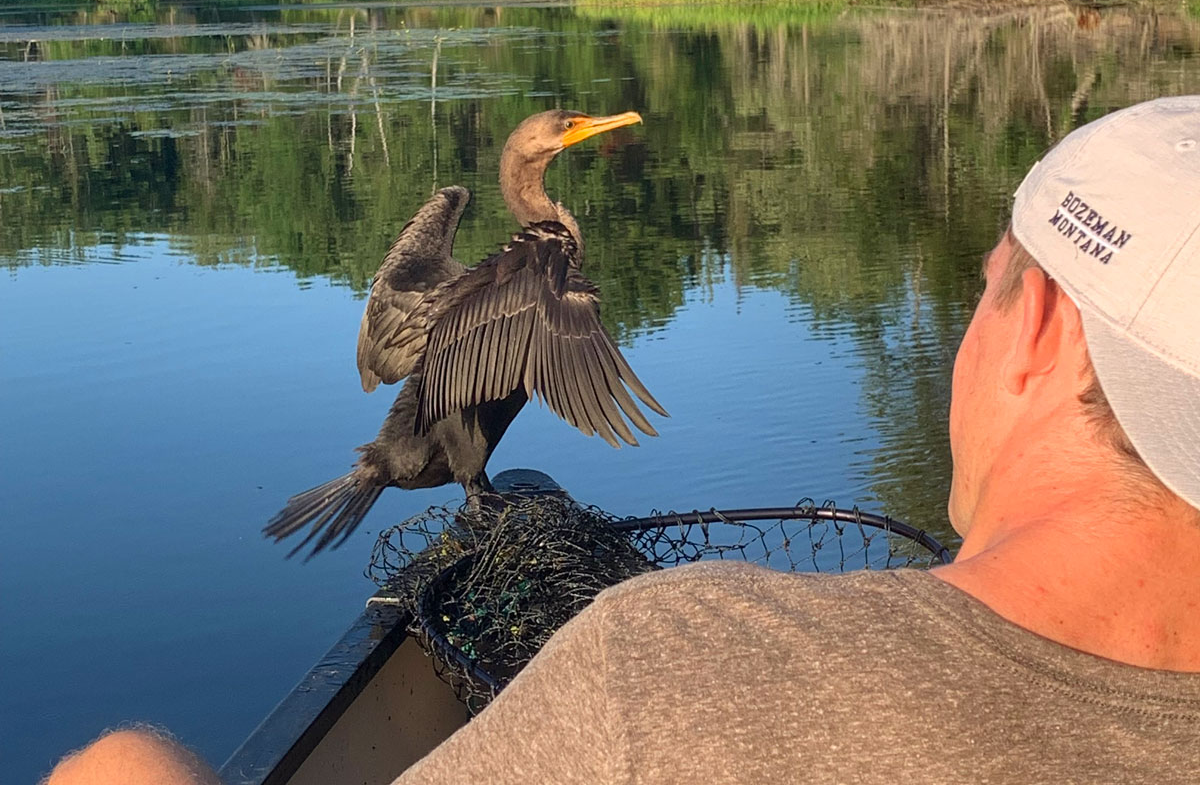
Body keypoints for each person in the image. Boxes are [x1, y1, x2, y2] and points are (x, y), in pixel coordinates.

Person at [45, 97, 1200, 784]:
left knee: (113, 767)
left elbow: (533, 333)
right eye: (566, 134)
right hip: (426, 452)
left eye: (986, 286)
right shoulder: (528, 263)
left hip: (425, 459)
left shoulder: (670, 660)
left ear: (1040, 326)